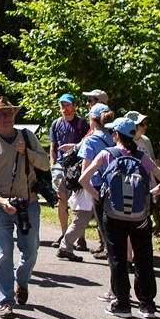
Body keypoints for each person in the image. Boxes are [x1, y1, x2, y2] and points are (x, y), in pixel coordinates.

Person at [80, 117, 160, 319]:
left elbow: (83, 179)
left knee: (117, 258)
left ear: (115, 135)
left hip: (113, 215)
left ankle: (122, 303)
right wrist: (152, 193)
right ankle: (147, 305)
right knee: (144, 258)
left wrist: (100, 196)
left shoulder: (107, 154)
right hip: (140, 217)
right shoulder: (142, 157)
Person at [0, 96, 49, 319]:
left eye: (9, 113)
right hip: (1, 207)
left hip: (29, 204)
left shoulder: (28, 137)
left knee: (31, 251)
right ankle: (5, 301)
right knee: (3, 254)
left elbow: (46, 164)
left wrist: (28, 152)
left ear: (14, 116)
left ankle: (22, 281)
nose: (5, 117)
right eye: (1, 114)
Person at [49, 93, 91, 251]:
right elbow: (53, 145)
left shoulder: (82, 124)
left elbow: (86, 143)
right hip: (60, 166)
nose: (64, 108)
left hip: (76, 167)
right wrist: (53, 164)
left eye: (67, 105)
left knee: (78, 202)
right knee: (62, 200)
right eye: (62, 105)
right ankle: (64, 233)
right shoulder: (57, 123)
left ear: (74, 106)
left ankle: (80, 237)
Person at [77, 103, 115, 261]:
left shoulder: (91, 140)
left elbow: (85, 170)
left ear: (93, 120)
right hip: (115, 183)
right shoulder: (115, 137)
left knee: (103, 221)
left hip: (98, 185)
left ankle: (109, 251)